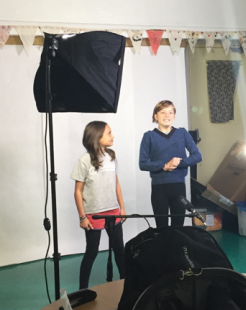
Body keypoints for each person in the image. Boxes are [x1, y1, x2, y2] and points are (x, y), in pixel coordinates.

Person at [71, 121, 126, 290]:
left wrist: (122, 208)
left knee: (119, 250)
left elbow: (116, 184)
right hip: (94, 214)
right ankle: (83, 289)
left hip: (113, 211)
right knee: (92, 252)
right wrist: (82, 217)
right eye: (109, 133)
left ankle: (126, 285)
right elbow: (78, 192)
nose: (112, 136)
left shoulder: (112, 157)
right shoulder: (84, 160)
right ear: (97, 136)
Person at [139, 100, 202, 228]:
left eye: (170, 112)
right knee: (161, 228)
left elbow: (197, 156)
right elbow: (143, 164)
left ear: (174, 116)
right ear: (155, 116)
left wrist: (178, 163)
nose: (167, 115)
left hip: (178, 188)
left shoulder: (182, 133)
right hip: (158, 190)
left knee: (178, 228)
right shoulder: (149, 136)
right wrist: (165, 165)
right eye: (162, 112)